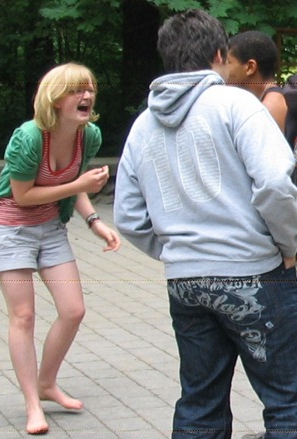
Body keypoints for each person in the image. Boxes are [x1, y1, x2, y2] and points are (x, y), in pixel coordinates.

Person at [113, 9, 297, 439]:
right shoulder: (236, 104)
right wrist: (290, 245)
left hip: (185, 283)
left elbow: (126, 215)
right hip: (255, 277)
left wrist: (179, 252)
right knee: (288, 399)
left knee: (199, 402)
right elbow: (274, 182)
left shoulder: (143, 124)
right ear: (218, 52)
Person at [0, 62, 120, 435]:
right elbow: (23, 195)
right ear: (56, 99)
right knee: (23, 317)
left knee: (73, 310)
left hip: (49, 227)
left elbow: (75, 184)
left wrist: (96, 223)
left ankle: (47, 383)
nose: (86, 95)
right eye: (77, 89)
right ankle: (31, 405)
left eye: (90, 88)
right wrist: (80, 188)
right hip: (10, 227)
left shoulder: (88, 136)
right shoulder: (28, 137)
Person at [227, 30, 288, 132]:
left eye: (228, 62)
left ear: (250, 67)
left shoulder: (268, 107)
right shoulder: (272, 98)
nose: (224, 69)